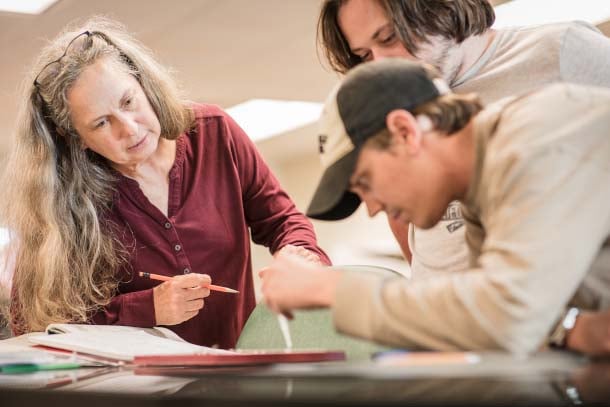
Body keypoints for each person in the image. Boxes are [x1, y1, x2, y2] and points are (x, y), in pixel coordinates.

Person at [1, 17, 329, 349]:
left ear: (144, 84)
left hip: (234, 370)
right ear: (75, 138)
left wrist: (300, 255)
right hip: (133, 389)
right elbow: (34, 317)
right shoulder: (61, 197)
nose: (129, 128)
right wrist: (147, 308)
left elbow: (283, 220)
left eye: (129, 102)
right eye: (102, 123)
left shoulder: (214, 132)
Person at [260, 59, 610, 356]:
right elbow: (491, 322)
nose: (372, 209)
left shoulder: (537, 138)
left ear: (404, 132)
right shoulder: (480, 190)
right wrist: (566, 328)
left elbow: (505, 317)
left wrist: (329, 287)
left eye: (365, 181)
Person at [317, 0, 610, 276]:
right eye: (365, 56)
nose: (380, 62)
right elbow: (407, 225)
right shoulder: (396, 106)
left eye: (389, 37)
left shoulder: (561, 48)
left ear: (438, 8)